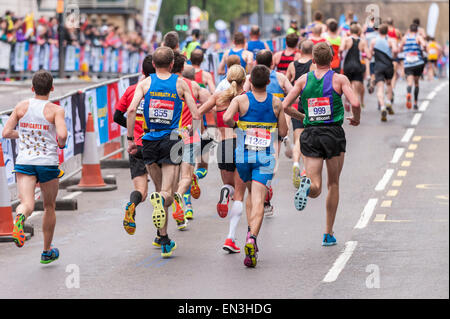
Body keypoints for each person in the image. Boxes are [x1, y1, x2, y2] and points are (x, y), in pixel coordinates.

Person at [283, 42, 361, 246]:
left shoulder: (302, 80)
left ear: (314, 61)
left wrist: (303, 115)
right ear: (332, 58)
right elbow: (355, 103)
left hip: (311, 133)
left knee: (316, 186)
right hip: (333, 134)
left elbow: (284, 106)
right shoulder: (339, 79)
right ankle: (328, 233)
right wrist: (356, 118)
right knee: (333, 184)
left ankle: (307, 187)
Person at [126, 47, 200, 258]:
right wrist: (191, 132)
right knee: (166, 192)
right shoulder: (180, 83)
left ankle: (164, 239)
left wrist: (131, 139)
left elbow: (131, 110)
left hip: (149, 141)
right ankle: (170, 205)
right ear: (171, 64)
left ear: (154, 64)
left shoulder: (145, 83)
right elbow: (195, 114)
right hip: (171, 141)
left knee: (158, 189)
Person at [223, 65, 293, 267]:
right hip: (264, 158)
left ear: (250, 82)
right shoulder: (276, 102)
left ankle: (248, 231)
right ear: (268, 83)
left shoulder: (241, 100)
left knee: (250, 197)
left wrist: (238, 126)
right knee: (259, 200)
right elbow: (283, 130)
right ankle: (252, 238)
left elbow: (227, 118)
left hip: (243, 157)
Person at [2, 70, 67, 264]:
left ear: (32, 88)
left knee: (27, 204)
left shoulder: (21, 106)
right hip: (47, 163)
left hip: (25, 162)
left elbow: (6, 132)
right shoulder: (55, 110)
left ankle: (20, 219)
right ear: (52, 88)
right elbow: (62, 135)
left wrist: (23, 135)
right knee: (49, 207)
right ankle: (47, 251)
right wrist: (60, 144)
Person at [198, 65, 247, 254]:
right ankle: (231, 237)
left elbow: (198, 111)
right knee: (240, 196)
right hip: (242, 146)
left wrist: (201, 133)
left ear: (227, 79)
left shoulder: (218, 97)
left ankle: (225, 192)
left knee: (230, 186)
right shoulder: (247, 97)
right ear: (244, 80)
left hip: (224, 146)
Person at [114, 55, 160, 236]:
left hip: (136, 146)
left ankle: (132, 204)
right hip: (156, 143)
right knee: (161, 191)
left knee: (141, 190)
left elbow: (117, 117)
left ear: (142, 72)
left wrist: (132, 129)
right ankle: (160, 234)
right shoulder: (162, 90)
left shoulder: (132, 90)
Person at [245, 49, 294, 216]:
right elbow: (293, 92)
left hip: (252, 126)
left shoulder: (249, 79)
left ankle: (259, 196)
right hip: (273, 126)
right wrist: (283, 106)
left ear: (255, 63)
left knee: (253, 161)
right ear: (272, 63)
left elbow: (242, 94)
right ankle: (265, 198)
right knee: (270, 163)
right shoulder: (280, 77)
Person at [171, 51, 210, 225]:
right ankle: (186, 205)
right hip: (189, 133)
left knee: (176, 175)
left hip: (169, 136)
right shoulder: (193, 86)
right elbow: (206, 106)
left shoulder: (164, 84)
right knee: (188, 174)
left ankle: (181, 206)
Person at [286, 40, 315, 189]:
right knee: (308, 138)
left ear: (300, 49)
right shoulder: (313, 64)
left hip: (297, 104)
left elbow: (288, 82)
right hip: (309, 103)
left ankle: (296, 163)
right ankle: (305, 169)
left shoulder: (292, 64)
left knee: (298, 138)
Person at [370, 24, 397, 121]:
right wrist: (392, 55)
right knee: (389, 84)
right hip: (389, 66)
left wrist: (373, 53)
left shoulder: (374, 41)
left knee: (380, 88)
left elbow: (369, 55)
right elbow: (395, 50)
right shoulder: (391, 40)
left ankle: (382, 107)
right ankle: (389, 102)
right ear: (387, 32)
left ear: (378, 31)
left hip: (378, 67)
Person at [399, 24, 427, 110]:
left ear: (409, 30)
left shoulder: (405, 38)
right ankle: (415, 103)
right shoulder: (418, 37)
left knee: (409, 83)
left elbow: (399, 48)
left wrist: (404, 50)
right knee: (416, 83)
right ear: (417, 30)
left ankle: (408, 93)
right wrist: (423, 49)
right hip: (418, 63)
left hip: (408, 64)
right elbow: (424, 45)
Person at [341, 24, 368, 108]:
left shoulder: (346, 40)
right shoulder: (363, 41)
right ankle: (354, 115)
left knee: (347, 86)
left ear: (350, 32)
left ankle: (347, 100)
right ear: (359, 32)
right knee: (356, 92)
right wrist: (364, 53)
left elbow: (341, 49)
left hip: (347, 66)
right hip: (358, 67)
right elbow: (369, 55)